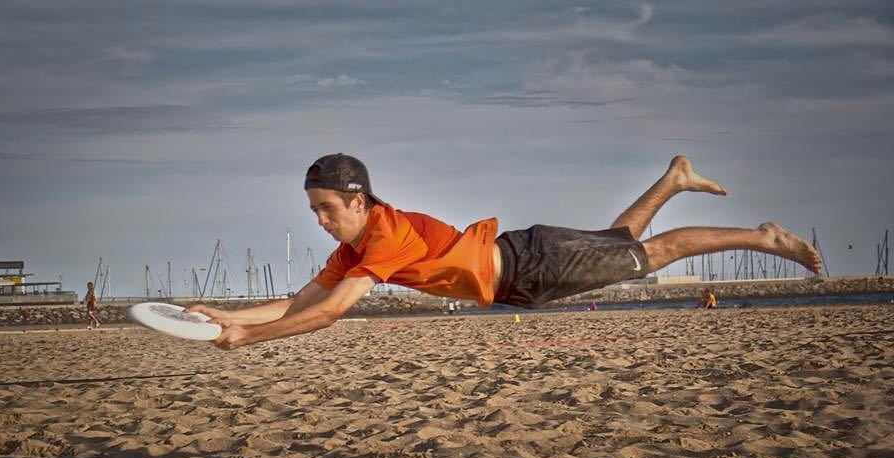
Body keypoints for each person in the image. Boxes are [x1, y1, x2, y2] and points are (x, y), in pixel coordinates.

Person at [192, 154, 821, 350]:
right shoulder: (353, 251)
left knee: (651, 255)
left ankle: (762, 237)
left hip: (529, 263)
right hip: (524, 277)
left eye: (329, 208)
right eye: (314, 212)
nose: (322, 221)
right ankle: (674, 178)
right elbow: (303, 299)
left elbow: (331, 314)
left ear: (359, 201)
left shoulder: (382, 233)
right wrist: (233, 317)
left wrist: (250, 340)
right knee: (626, 245)